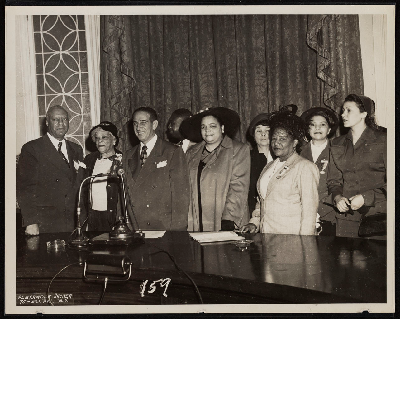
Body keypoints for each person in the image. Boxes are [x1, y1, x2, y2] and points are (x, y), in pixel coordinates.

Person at [241, 112, 319, 235]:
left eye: (282, 139)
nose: (276, 143)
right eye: (274, 139)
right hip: (267, 237)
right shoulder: (269, 166)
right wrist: (254, 222)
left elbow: (309, 213)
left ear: (294, 142)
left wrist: (306, 244)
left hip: (292, 240)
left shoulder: (305, 167)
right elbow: (262, 200)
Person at [17, 105, 84, 234]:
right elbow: (25, 188)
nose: (61, 123)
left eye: (64, 119)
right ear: (47, 122)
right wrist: (30, 222)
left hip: (74, 221)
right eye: (56, 119)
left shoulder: (76, 149)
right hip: (46, 222)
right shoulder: (32, 148)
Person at [181, 107, 250, 232]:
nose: (207, 131)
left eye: (212, 126)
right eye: (203, 127)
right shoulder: (191, 152)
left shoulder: (238, 150)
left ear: (222, 128)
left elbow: (238, 188)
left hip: (224, 222)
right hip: (196, 222)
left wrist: (228, 220)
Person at [326, 94, 387, 238]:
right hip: (346, 219)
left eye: (349, 110)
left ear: (364, 114)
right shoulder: (336, 144)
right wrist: (337, 197)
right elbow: (333, 181)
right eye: (342, 110)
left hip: (377, 217)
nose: (343, 115)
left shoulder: (384, 140)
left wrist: (366, 197)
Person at [122, 106, 190, 230]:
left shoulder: (172, 152)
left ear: (154, 124)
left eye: (143, 123)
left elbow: (181, 198)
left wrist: (176, 232)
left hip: (162, 228)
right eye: (135, 123)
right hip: (135, 229)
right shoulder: (128, 155)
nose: (138, 127)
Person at [300, 107, 339, 235]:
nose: (317, 128)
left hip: (328, 212)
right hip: (302, 212)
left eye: (322, 125)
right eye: (313, 125)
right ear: (308, 129)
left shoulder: (336, 150)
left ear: (329, 129)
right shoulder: (299, 152)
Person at [81, 121, 122, 231]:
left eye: (104, 137)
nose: (100, 141)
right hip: (92, 216)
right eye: (97, 138)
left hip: (113, 217)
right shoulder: (89, 160)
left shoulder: (122, 160)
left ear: (114, 140)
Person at [246, 112, 276, 216]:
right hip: (254, 212)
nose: (263, 134)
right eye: (259, 131)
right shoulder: (246, 158)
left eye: (267, 131)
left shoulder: (282, 157)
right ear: (253, 135)